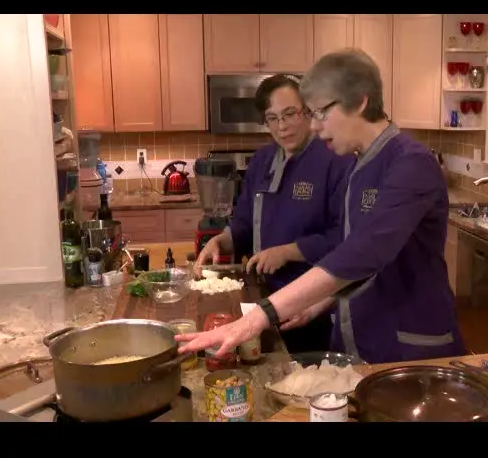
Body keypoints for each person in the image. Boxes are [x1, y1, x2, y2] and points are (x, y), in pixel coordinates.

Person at [178, 50, 466, 364]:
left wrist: (257, 317)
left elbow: (365, 253)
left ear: (360, 101)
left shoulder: (411, 163)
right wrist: (319, 302)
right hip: (361, 336)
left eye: (321, 113)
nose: (314, 126)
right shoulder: (359, 164)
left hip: (408, 345)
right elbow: (361, 265)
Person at [194, 73, 352, 353]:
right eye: (272, 118)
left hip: (312, 303)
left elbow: (345, 238)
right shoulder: (262, 161)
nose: (282, 126)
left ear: (308, 111)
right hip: (261, 296)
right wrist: (223, 240)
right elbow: (244, 221)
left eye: (290, 114)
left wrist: (288, 252)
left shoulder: (335, 160)